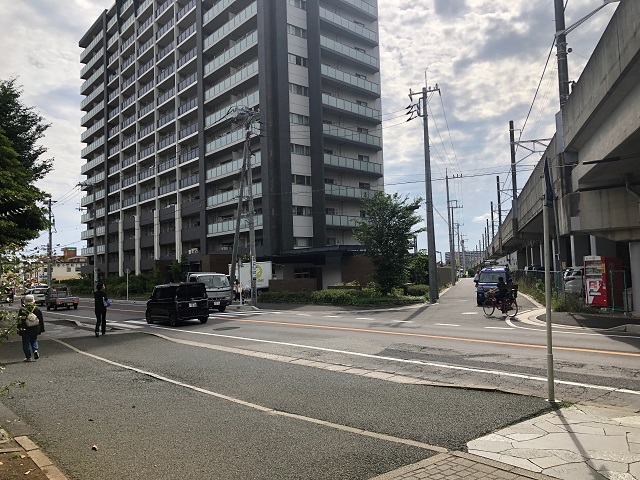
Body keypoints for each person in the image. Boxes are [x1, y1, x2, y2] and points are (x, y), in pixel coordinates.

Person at [17, 294, 45, 362]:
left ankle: (28, 357)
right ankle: (35, 350)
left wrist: (19, 329)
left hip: (25, 329)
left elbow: (19, 321)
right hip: (35, 328)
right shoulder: (37, 309)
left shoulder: (22, 310)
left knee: (25, 343)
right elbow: (41, 320)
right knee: (34, 340)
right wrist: (41, 329)